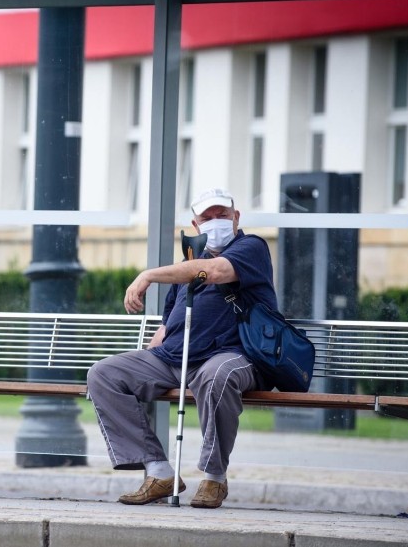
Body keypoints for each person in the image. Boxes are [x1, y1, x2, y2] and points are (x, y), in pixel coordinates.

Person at [86, 188, 278, 508]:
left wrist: (148, 275)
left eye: (223, 215)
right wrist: (146, 359)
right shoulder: (188, 264)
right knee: (104, 374)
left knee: (216, 376)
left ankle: (215, 477)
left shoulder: (251, 247)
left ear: (236, 218)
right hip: (175, 357)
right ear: (195, 223)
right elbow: (166, 326)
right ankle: (159, 472)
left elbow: (216, 272)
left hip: (231, 355)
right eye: (207, 217)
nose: (215, 222)